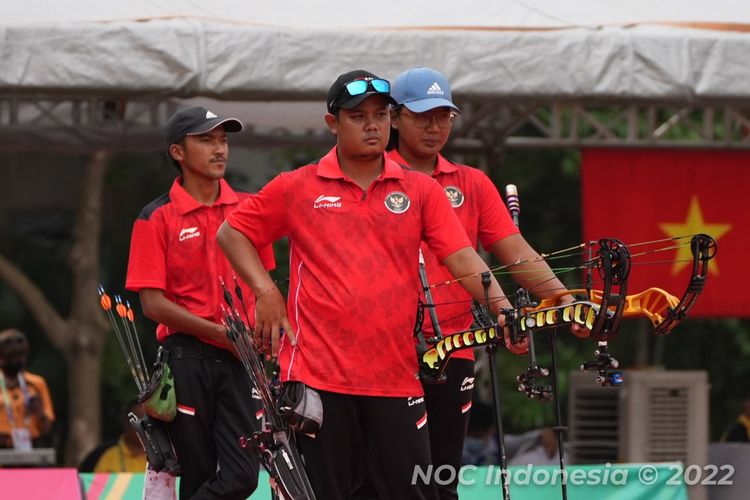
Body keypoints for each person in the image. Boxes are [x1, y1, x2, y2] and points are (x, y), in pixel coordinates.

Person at [216, 69, 513, 500]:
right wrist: (266, 291)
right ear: (332, 123)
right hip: (319, 377)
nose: (372, 125)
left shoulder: (419, 190)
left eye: (381, 114)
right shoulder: (298, 186)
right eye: (358, 116)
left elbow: (462, 257)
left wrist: (501, 306)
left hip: (395, 378)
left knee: (417, 492)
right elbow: (232, 233)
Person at [384, 67, 582, 499]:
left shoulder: (471, 183)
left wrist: (563, 299)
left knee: (440, 482)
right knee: (392, 482)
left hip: (453, 348)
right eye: (422, 116)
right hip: (384, 353)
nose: (435, 127)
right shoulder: (375, 178)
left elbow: (516, 251)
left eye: (444, 116)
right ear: (394, 118)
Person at [125, 105, 275, 499]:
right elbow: (152, 305)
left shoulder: (250, 208)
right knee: (197, 471)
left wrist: (262, 335)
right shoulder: (156, 217)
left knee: (243, 475)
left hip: (241, 358)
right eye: (206, 140)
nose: (220, 149)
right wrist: (216, 333)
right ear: (178, 152)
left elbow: (266, 289)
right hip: (187, 359)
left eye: (223, 140)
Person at [0, 328, 55, 450]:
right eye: (10, 358)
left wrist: (39, 411)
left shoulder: (36, 384)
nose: (15, 362)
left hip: (31, 448)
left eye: (19, 357)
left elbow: (47, 429)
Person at [93, 399, 147, 473]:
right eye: (138, 419)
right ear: (126, 424)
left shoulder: (162, 457)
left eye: (147, 420)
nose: (144, 425)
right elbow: (97, 484)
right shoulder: (109, 458)